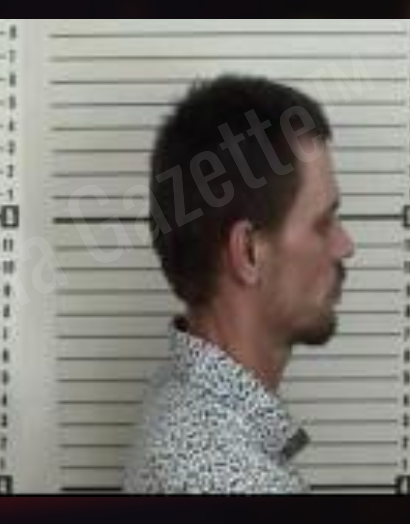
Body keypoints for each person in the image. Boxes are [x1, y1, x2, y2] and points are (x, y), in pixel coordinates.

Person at [124, 75, 354, 493]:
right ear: (248, 252)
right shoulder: (238, 480)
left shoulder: (177, 395)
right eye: (323, 223)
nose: (345, 245)